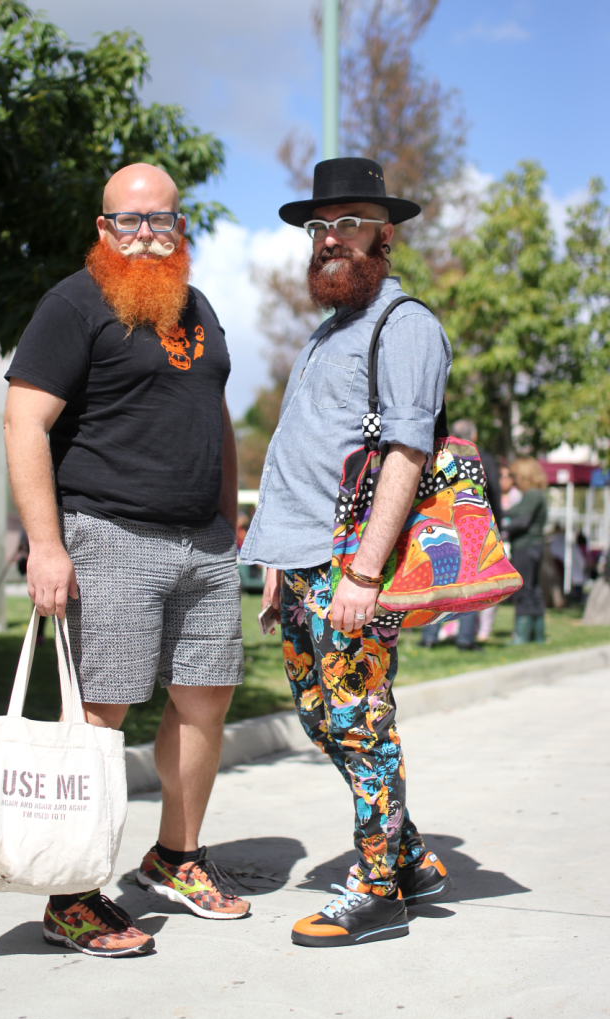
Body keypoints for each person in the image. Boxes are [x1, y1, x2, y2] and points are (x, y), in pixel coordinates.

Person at [4, 163, 249, 959]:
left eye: (162, 221)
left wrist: (227, 516)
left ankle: (176, 857)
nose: (146, 234)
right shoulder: (73, 304)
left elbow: (213, 411)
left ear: (182, 228)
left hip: (204, 544)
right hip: (109, 537)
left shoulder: (198, 307)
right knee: (99, 720)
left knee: (205, 702)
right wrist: (45, 544)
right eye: (128, 222)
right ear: (103, 229)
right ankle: (71, 894)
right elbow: (24, 423)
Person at [241, 157, 454, 948]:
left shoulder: (406, 327)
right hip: (299, 563)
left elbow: (404, 453)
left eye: (348, 225)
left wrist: (363, 572)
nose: (330, 241)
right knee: (319, 718)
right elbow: (305, 452)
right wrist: (274, 559)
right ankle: (411, 858)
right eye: (318, 228)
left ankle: (375, 891)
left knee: (360, 722)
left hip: (348, 567)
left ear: (384, 236)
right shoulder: (330, 331)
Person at [420, 418, 502, 650]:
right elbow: (494, 493)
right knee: (471, 581)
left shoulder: (439, 456)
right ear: (474, 436)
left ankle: (429, 636)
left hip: (441, 524)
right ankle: (465, 639)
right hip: (472, 527)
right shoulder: (482, 458)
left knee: (440, 579)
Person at [503, 457, 548, 643]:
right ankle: (537, 636)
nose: (513, 480)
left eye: (515, 476)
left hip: (526, 547)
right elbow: (514, 513)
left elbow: (522, 521)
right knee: (534, 591)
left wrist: (502, 530)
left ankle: (521, 636)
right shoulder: (537, 495)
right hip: (535, 547)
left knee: (524, 591)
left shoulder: (532, 495)